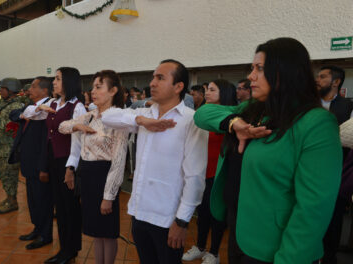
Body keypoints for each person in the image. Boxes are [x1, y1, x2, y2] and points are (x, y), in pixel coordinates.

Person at [194, 37, 342, 264]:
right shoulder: (255, 110)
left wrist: (289, 258)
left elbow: (313, 209)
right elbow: (203, 115)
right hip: (240, 231)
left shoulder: (316, 124)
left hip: (274, 246)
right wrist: (234, 124)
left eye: (259, 68)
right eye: (252, 68)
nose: (251, 76)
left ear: (285, 73)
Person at [101, 59, 208, 264]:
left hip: (167, 218)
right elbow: (107, 116)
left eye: (160, 78)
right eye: (153, 77)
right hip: (139, 211)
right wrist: (141, 121)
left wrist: (182, 221)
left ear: (178, 87)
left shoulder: (191, 121)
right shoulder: (144, 114)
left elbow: (195, 177)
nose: (152, 83)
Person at [59, 70, 128, 264]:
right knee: (96, 232)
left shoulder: (118, 119)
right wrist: (78, 126)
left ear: (113, 90)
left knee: (108, 232)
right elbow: (62, 126)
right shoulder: (89, 116)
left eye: (99, 87)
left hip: (105, 177)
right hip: (87, 177)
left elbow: (118, 162)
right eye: (93, 87)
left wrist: (109, 196)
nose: (93, 91)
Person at [32, 68, 87, 263]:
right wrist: (39, 109)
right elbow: (28, 113)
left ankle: (70, 250)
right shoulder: (52, 103)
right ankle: (65, 248)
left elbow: (77, 143)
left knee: (69, 208)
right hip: (53, 160)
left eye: (57, 79)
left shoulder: (77, 107)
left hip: (67, 162)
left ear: (69, 82)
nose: (54, 82)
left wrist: (70, 169)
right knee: (60, 208)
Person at [183, 79, 236, 264]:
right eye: (207, 89)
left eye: (212, 90)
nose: (207, 92)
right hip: (201, 172)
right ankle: (200, 247)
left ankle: (214, 252)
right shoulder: (201, 115)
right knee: (202, 213)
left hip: (219, 174)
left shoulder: (230, 118)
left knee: (216, 214)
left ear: (225, 93)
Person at [9, 77, 54, 250]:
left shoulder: (49, 108)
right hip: (28, 161)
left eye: (34, 87)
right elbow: (13, 114)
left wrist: (44, 166)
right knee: (33, 199)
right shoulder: (31, 106)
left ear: (44, 90)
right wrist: (25, 113)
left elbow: (46, 141)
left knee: (43, 199)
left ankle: (46, 234)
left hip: (40, 162)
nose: (29, 89)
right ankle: (37, 228)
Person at [316, 65, 353, 264]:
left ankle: (329, 257)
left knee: (334, 217)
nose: (317, 79)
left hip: (336, 171)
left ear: (336, 82)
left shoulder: (346, 106)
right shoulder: (309, 103)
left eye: (322, 76)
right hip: (311, 170)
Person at [0, 77, 23, 214]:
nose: (0, 91)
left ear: (11, 90)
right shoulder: (5, 104)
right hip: (1, 147)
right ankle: (9, 197)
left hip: (9, 148)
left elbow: (7, 128)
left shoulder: (15, 107)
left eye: (3, 89)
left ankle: (12, 201)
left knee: (10, 176)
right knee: (3, 175)